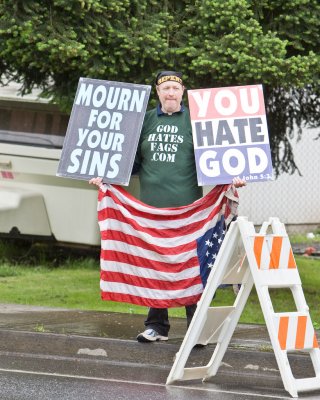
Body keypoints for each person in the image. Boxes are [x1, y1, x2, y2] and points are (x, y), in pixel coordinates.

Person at [90, 70, 246, 343]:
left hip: (190, 213)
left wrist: (231, 176)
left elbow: (212, 161)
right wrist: (106, 176)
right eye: (166, 89)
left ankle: (197, 330)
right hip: (151, 213)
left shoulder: (196, 121)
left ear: (182, 91)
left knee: (191, 269)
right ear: (158, 92)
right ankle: (156, 327)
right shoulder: (145, 120)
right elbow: (132, 163)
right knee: (156, 266)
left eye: (175, 87)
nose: (170, 93)